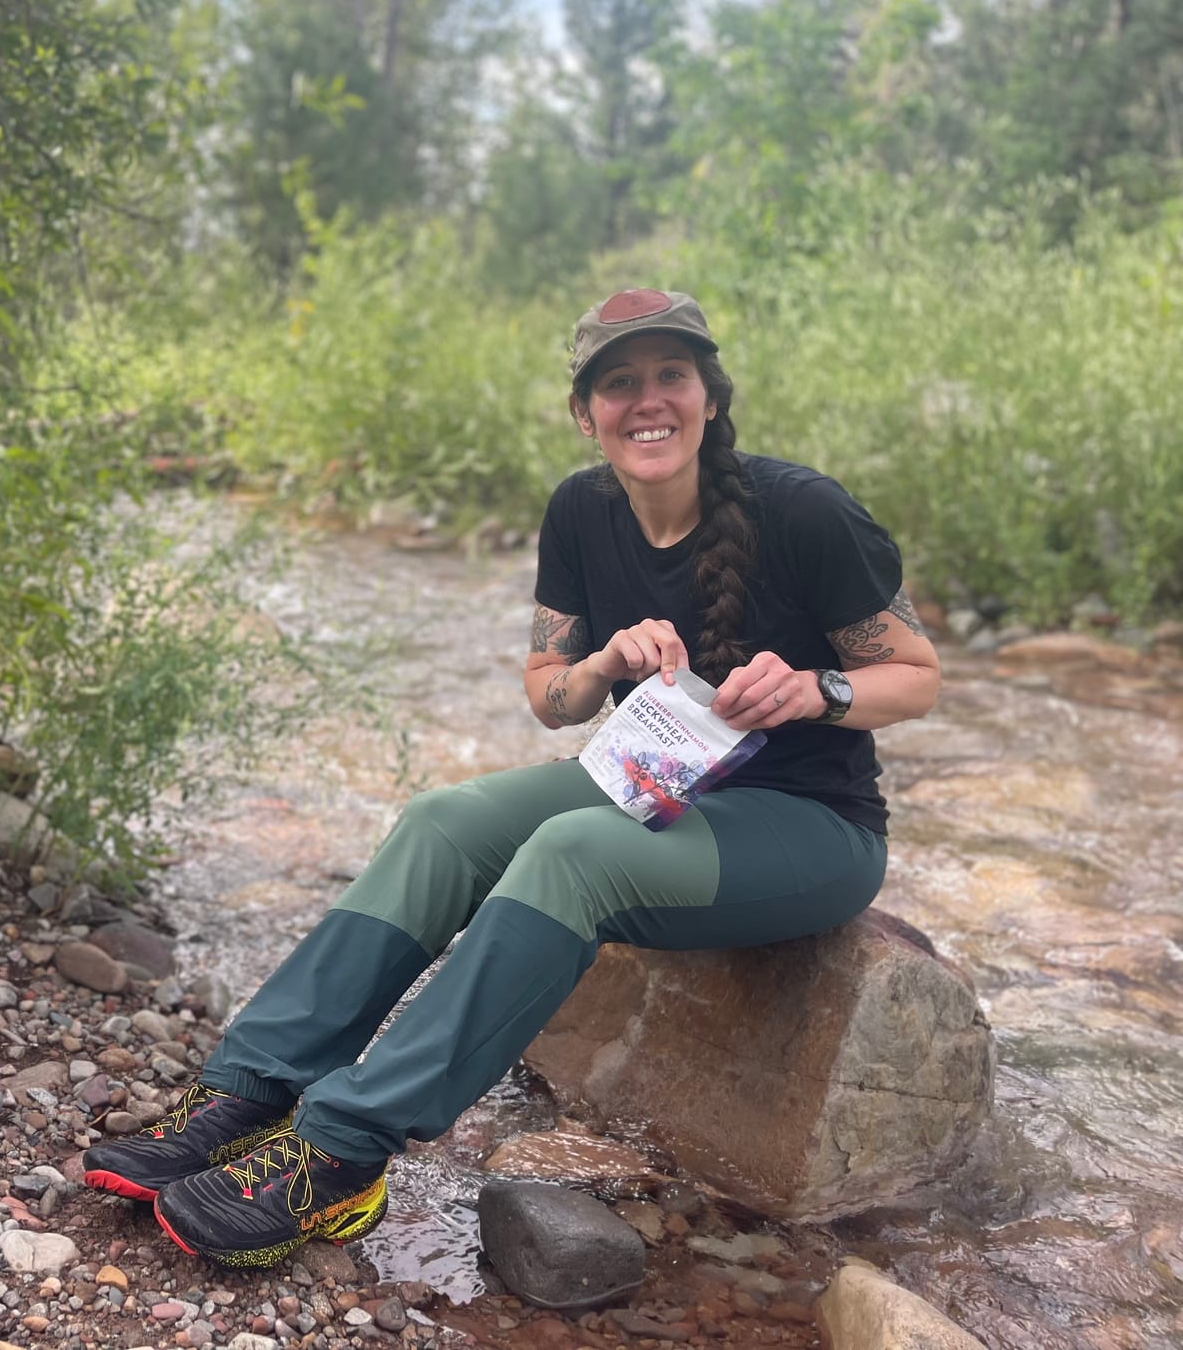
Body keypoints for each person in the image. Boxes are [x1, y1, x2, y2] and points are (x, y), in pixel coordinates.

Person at [82, 288, 942, 1268]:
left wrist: (813, 689)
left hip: (808, 826)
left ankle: (338, 1156)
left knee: (572, 854)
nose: (646, 400)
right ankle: (249, 1088)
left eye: (669, 375)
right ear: (585, 412)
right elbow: (549, 696)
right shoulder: (580, 510)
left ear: (707, 391)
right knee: (443, 820)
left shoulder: (803, 511)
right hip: (652, 781)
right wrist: (602, 667)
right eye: (618, 383)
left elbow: (914, 680)